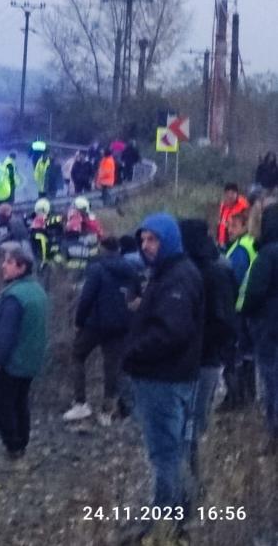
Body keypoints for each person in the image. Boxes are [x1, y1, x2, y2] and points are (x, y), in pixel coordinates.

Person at [122, 214, 203, 521]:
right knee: (172, 447)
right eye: (143, 240)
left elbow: (171, 331)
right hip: (167, 374)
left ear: (168, 240)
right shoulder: (168, 271)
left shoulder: (177, 276)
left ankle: (168, 516)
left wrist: (133, 353)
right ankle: (177, 508)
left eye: (153, 239)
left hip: (163, 377)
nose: (146, 246)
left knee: (165, 451)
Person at [0, 244, 49, 459]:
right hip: (32, 359)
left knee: (0, 404)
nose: (3, 266)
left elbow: (4, 335)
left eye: (8, 262)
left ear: (21, 267)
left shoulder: (14, 297)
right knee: (19, 401)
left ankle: (14, 447)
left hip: (14, 361)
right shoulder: (37, 290)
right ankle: (21, 444)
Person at [179, 219, 236, 488]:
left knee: (191, 424)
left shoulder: (207, 273)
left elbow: (223, 321)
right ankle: (191, 481)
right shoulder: (214, 269)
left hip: (202, 360)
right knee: (192, 423)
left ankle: (192, 484)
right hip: (204, 359)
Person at [62, 237, 140, 425]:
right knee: (112, 366)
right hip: (121, 325)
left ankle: (81, 403)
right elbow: (137, 296)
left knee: (78, 356)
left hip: (95, 324)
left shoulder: (97, 269)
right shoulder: (130, 269)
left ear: (102, 249)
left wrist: (79, 322)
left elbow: (87, 297)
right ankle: (107, 411)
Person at [243, 203, 278, 454]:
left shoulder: (268, 254)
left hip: (269, 325)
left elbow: (254, 291)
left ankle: (273, 431)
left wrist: (246, 311)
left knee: (270, 378)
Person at [222, 211, 258, 410]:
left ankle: (239, 398)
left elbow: (235, 277)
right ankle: (247, 396)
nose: (229, 229)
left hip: (238, 306)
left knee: (238, 353)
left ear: (245, 226)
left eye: (233, 225)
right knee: (247, 353)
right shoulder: (248, 244)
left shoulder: (241, 248)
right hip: (246, 305)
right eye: (228, 225)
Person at [216, 182, 249, 247]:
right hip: (221, 242)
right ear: (225, 194)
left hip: (235, 243)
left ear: (237, 194)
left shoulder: (243, 206)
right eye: (228, 193)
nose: (230, 196)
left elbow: (247, 227)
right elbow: (221, 223)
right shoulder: (223, 205)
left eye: (232, 193)